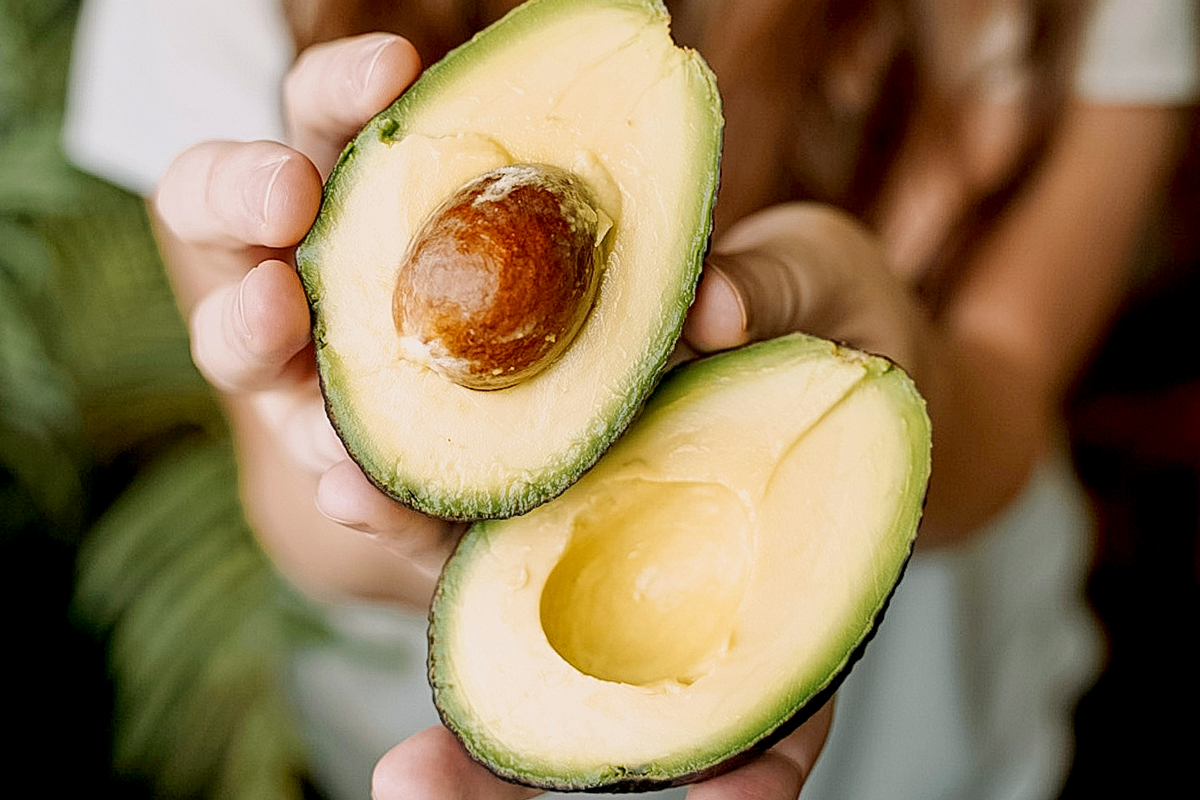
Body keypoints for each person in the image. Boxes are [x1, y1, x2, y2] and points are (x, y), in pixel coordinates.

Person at [63, 1, 1197, 799]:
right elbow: (301, 518)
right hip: (405, 731)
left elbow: (1007, 392)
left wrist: (907, 381)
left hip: (946, 732)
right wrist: (326, 440)